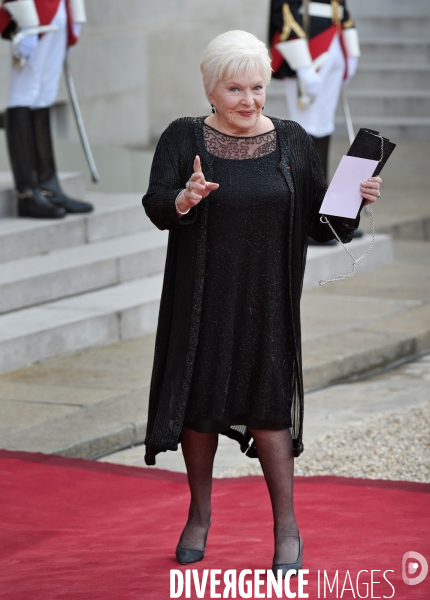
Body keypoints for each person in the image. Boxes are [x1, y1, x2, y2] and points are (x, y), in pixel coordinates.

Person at [142, 30, 381, 574]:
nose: (249, 101)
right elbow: (157, 205)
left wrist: (354, 202)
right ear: (210, 90)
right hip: (201, 300)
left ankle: (287, 530)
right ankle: (199, 516)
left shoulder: (292, 140)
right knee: (198, 412)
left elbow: (323, 223)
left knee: (270, 413)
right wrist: (184, 197)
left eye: (257, 87)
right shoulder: (182, 138)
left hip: (268, 302)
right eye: (235, 89)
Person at [0, 0, 93, 218]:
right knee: (24, 94)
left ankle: (48, 187)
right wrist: (27, 23)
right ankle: (27, 194)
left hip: (58, 13)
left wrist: (75, 18)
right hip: (33, 15)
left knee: (44, 95)